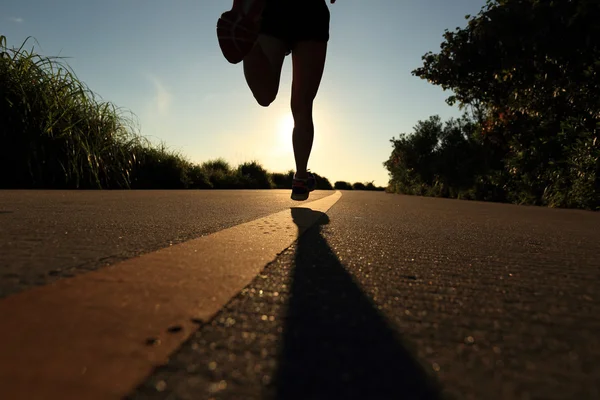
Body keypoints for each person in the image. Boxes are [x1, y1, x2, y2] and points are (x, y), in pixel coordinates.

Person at [216, 0, 336, 201]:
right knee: (302, 105)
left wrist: (239, 8)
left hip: (273, 7)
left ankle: (251, 42)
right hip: (311, 11)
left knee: (264, 95)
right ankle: (300, 177)